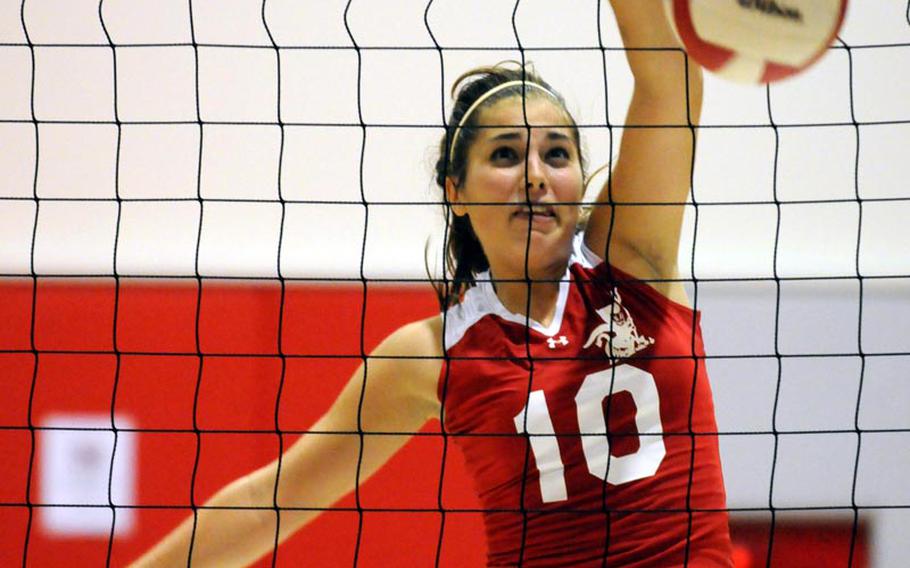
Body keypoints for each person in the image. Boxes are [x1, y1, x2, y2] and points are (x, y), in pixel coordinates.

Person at [132, 1, 731, 566]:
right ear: (457, 192)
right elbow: (274, 499)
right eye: (504, 155)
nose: (534, 176)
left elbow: (671, 80)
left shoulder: (632, 262)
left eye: (556, 154)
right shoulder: (432, 353)